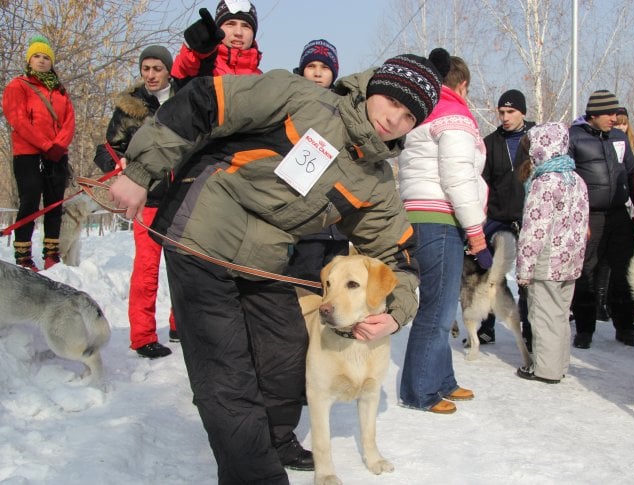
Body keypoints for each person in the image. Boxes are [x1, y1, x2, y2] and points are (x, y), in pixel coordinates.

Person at [107, 51, 445, 483]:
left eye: (409, 116)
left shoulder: (374, 180)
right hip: (202, 233)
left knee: (286, 356)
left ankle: (274, 436)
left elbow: (400, 257)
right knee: (227, 373)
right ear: (375, 87)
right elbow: (204, 101)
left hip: (264, 261)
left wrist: (394, 316)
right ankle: (254, 472)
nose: (395, 119)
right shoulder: (300, 97)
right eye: (393, 102)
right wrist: (141, 170)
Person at [397, 51, 488, 414]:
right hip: (440, 217)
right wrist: (476, 230)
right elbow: (458, 177)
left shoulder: (423, 114)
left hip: (420, 214)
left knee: (441, 303)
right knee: (438, 307)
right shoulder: (454, 115)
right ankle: (420, 390)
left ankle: (442, 378)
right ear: (461, 85)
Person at [93, 46, 179, 358]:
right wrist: (117, 164)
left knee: (182, 266)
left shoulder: (184, 99)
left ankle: (178, 323)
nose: (152, 75)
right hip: (149, 198)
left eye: (157, 68)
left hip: (183, 196)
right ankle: (142, 335)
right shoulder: (129, 109)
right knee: (147, 269)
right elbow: (106, 149)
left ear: (169, 70)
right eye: (146, 69)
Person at [515, 122, 589, 383]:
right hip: (570, 258)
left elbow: (534, 227)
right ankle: (559, 364)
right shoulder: (577, 180)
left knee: (543, 314)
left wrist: (524, 267)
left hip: (546, 259)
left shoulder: (544, 183)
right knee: (560, 314)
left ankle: (545, 370)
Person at [569, 89, 634, 349]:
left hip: (619, 215)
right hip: (589, 216)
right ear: (594, 114)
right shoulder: (574, 138)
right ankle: (585, 329)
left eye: (615, 112)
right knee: (585, 272)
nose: (614, 117)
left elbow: (631, 174)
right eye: (609, 113)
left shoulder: (619, 137)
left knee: (623, 271)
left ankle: (625, 327)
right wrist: (577, 217)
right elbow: (570, 179)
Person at [2, 35, 75, 271]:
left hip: (56, 155)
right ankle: (23, 254)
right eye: (37, 56)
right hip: (28, 154)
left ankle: (51, 254)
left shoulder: (60, 91)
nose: (42, 61)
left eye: (46, 57)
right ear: (29, 60)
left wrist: (59, 146)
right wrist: (46, 145)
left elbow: (69, 122)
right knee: (30, 201)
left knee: (54, 204)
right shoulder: (18, 86)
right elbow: (18, 121)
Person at [286, 39, 349, 288]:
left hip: (337, 219)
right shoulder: (292, 102)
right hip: (304, 219)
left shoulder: (344, 108)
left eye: (324, 66)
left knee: (336, 285)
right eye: (311, 65)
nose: (317, 72)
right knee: (303, 285)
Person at [479, 89, 535, 349]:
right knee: (491, 273)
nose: (505, 117)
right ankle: (487, 327)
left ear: (522, 111)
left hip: (530, 217)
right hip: (497, 217)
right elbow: (483, 184)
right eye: (501, 112)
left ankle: (529, 329)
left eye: (510, 112)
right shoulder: (490, 142)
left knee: (527, 278)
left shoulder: (537, 138)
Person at [172, 0, 262, 89]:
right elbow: (184, 73)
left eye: (246, 26)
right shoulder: (204, 65)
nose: (238, 32)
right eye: (230, 24)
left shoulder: (263, 80)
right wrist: (193, 50)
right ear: (218, 29)